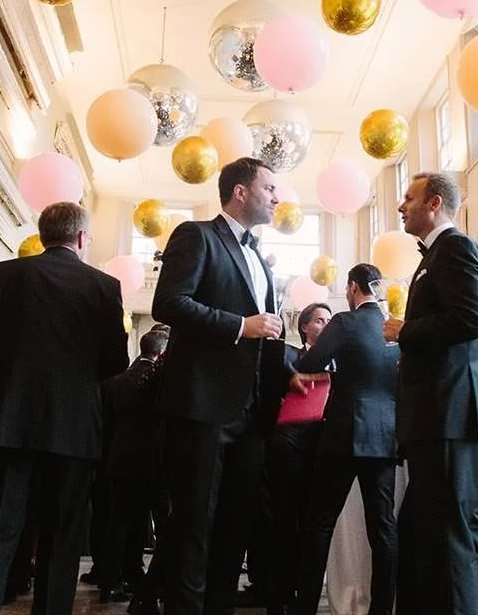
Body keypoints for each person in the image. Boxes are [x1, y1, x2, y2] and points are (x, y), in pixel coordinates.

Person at [0, 201, 129, 615]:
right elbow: (116, 364)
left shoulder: (4, 274)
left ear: (43, 233)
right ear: (82, 238)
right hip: (72, 431)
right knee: (61, 540)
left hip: (6, 424)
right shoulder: (104, 287)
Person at [151, 156, 283, 615]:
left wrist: (292, 372)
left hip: (251, 413)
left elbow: (264, 335)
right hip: (203, 404)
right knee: (194, 524)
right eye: (269, 188)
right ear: (240, 192)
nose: (277, 197)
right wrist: (238, 326)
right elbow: (168, 302)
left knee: (235, 526)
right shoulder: (197, 236)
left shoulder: (260, 259)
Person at [383, 172, 478, 615]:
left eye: (408, 197)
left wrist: (406, 331)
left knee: (453, 529)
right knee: (465, 525)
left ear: (434, 203)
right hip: (451, 408)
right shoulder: (436, 254)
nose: (401, 206)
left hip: (450, 410)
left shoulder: (453, 247)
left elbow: (473, 320)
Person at [292, 264, 399, 615]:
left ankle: (305, 605)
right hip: (384, 436)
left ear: (353, 287)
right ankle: (382, 608)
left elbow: (310, 360)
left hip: (344, 433)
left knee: (320, 521)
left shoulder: (345, 322)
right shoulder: (394, 328)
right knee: (383, 528)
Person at [261, 302, 332, 615]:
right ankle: (278, 594)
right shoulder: (289, 355)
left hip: (324, 448)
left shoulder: (340, 361)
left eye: (329, 321)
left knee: (312, 525)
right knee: (284, 521)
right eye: (318, 320)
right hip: (289, 446)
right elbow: (272, 370)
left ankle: (306, 596)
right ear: (305, 327)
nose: (325, 326)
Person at [99, 325, 171, 606]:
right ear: (163, 352)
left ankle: (110, 583)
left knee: (119, 524)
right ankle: (158, 583)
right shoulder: (162, 382)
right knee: (164, 527)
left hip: (121, 461)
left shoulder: (118, 380)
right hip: (156, 463)